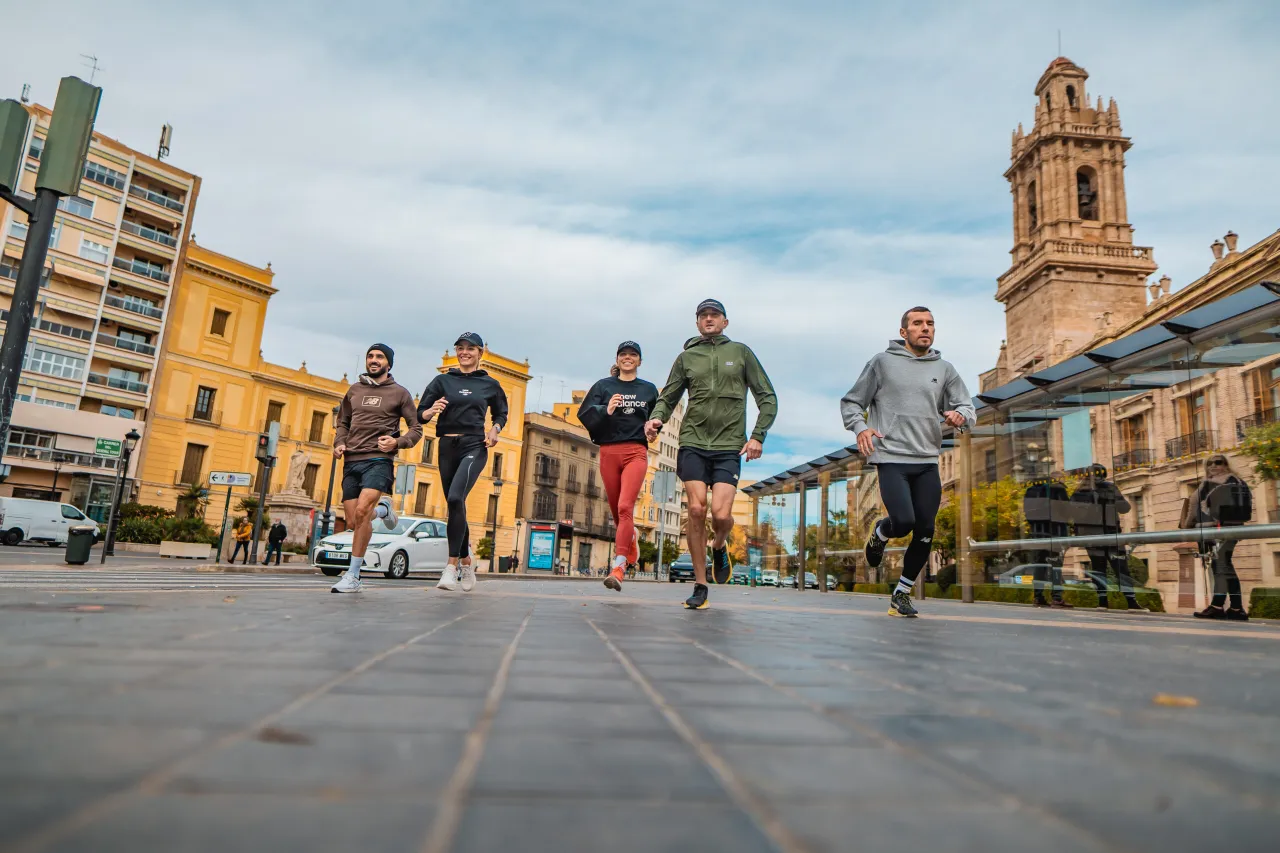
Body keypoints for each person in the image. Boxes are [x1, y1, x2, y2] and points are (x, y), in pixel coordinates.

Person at [841, 306, 975, 618]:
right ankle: (881, 532)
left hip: (927, 459)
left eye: (930, 324)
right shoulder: (881, 363)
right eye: (917, 324)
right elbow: (852, 401)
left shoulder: (944, 369)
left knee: (926, 529)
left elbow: (966, 406)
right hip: (891, 456)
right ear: (904, 332)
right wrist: (861, 428)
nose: (925, 328)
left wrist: (960, 415)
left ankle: (901, 593)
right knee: (903, 521)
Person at [645, 299, 777, 610]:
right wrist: (656, 418)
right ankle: (700, 584)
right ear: (697, 323)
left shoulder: (741, 353)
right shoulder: (687, 358)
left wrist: (758, 435)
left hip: (729, 445)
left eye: (714, 315)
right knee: (695, 509)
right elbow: (668, 395)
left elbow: (767, 397)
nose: (708, 319)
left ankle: (719, 544)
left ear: (725, 322)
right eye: (703, 315)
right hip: (692, 442)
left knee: (720, 514)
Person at [418, 332, 509, 592]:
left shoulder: (489, 384)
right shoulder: (442, 381)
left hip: (474, 445)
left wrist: (495, 429)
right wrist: (430, 410)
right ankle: (468, 562)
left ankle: (450, 567)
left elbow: (501, 411)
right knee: (455, 505)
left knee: (457, 498)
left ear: (480, 353)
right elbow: (420, 414)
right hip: (447, 446)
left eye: (471, 348)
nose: (465, 352)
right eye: (461, 348)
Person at [330, 344, 422, 593]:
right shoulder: (354, 390)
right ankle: (383, 511)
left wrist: (396, 442)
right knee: (352, 521)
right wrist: (339, 443)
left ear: (388, 363)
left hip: (379, 460)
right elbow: (343, 422)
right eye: (370, 356)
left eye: (379, 357)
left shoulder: (400, 393)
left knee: (361, 512)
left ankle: (353, 575)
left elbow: (416, 429)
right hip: (351, 460)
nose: (373, 360)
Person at [578, 341, 659, 593]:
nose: (628, 358)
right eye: (623, 354)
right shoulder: (603, 386)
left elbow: (658, 417)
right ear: (617, 359)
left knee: (626, 507)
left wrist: (654, 429)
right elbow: (585, 414)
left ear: (639, 361)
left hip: (636, 451)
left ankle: (619, 566)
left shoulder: (648, 389)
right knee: (616, 513)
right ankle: (630, 539)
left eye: (633, 355)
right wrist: (606, 409)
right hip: (608, 451)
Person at [1185, 455, 1253, 620]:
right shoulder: (1238, 480)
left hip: (1217, 529)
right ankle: (1235, 608)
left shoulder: (1207, 483)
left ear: (1226, 464)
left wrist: (1187, 526)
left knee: (1221, 566)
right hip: (1234, 529)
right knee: (1224, 565)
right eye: (1210, 463)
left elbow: (1193, 508)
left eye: (1218, 462)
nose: (1214, 466)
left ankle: (1219, 607)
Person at [1071, 464, 1146, 612]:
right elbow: (1125, 507)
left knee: (1100, 569)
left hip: (1094, 537)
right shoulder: (1105, 488)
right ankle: (1129, 601)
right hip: (1108, 535)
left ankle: (1103, 602)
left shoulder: (1079, 492)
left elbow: (1073, 515)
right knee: (1120, 568)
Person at [1022, 474, 1074, 609]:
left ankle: (1038, 597)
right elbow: (1067, 511)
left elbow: (1027, 514)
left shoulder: (1030, 492)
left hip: (1037, 534)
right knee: (1055, 566)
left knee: (1039, 566)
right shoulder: (1058, 489)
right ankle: (1056, 598)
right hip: (1055, 532)